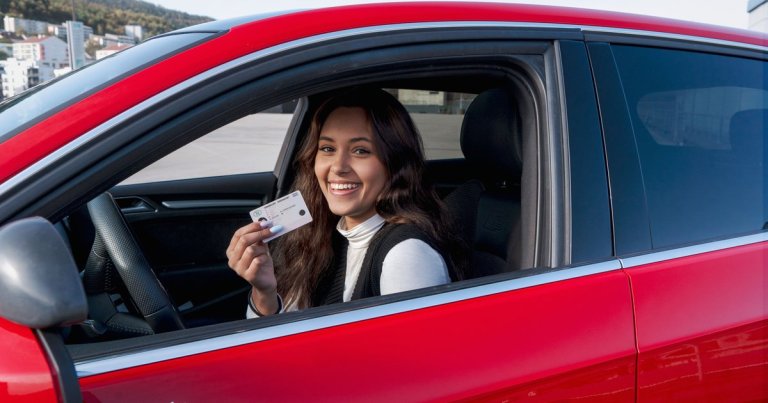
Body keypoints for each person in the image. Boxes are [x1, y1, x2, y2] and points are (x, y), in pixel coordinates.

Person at [226, 88, 465, 317]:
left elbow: (408, 357)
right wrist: (265, 291)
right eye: (328, 148)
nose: (338, 167)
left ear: (394, 165)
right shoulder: (326, 234)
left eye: (360, 151)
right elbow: (285, 338)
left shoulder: (406, 255)